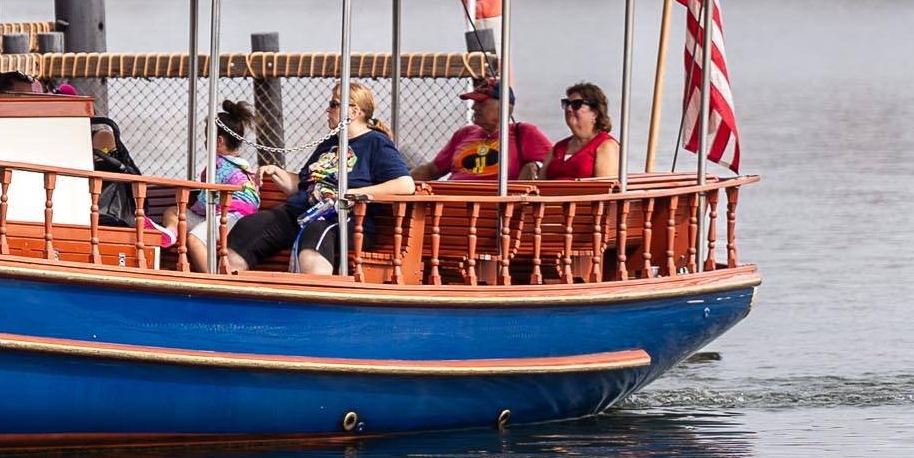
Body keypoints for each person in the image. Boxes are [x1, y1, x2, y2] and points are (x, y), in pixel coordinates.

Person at [226, 83, 414, 275]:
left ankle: (315, 301)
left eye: (334, 104)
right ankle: (232, 292)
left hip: (344, 217)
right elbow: (302, 184)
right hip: (303, 212)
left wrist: (352, 193)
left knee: (316, 234)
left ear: (354, 111)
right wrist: (276, 172)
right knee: (249, 227)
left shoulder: (375, 142)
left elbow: (405, 184)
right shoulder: (330, 142)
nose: (328, 109)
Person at [181, 99, 265, 272]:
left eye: (207, 138)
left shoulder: (218, 167)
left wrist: (195, 209)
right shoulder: (243, 166)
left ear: (218, 141)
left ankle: (212, 283)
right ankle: (172, 232)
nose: (205, 143)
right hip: (240, 216)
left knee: (194, 240)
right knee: (174, 213)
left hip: (232, 216)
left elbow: (206, 201)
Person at [416, 77, 549, 183]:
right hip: (452, 204)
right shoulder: (464, 134)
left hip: (496, 208)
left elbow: (555, 163)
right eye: (474, 102)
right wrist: (403, 180)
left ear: (502, 107)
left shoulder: (523, 133)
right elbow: (432, 169)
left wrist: (535, 165)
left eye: (481, 103)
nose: (474, 107)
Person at [544, 80, 620, 179]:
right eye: (566, 104)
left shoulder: (606, 146)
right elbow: (538, 185)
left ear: (595, 113)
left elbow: (605, 190)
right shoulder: (558, 147)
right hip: (548, 194)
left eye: (576, 104)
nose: (569, 109)